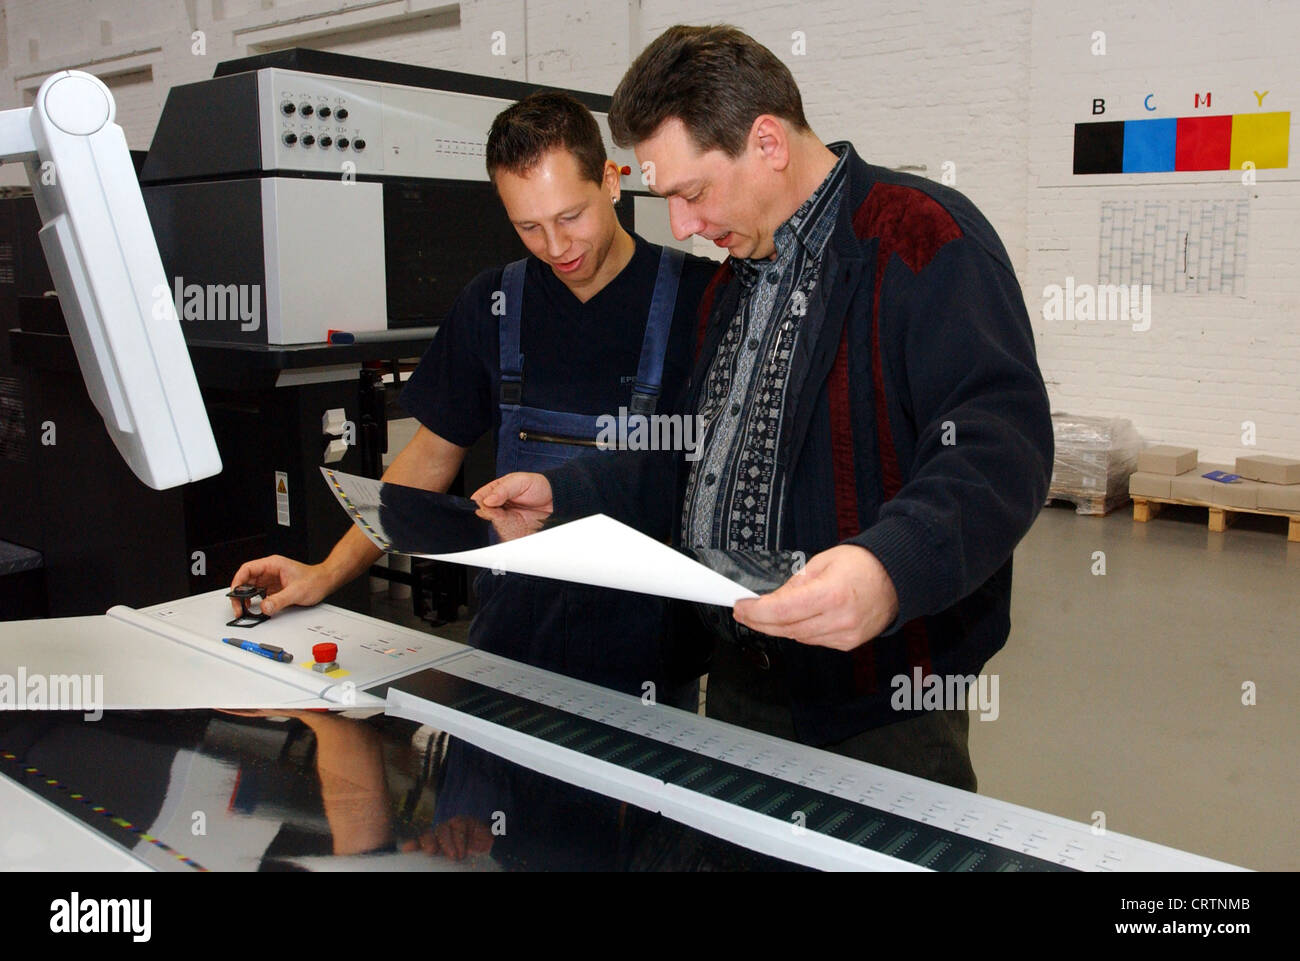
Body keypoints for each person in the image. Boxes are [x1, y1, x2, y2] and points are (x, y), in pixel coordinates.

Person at [474, 25, 1055, 791]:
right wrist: (567, 492)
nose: (681, 226)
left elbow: (998, 446)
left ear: (769, 142)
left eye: (692, 192)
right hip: (744, 682)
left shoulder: (919, 238)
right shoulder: (736, 276)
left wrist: (889, 567)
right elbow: (688, 454)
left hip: (880, 706)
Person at [230, 90, 720, 708]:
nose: (555, 246)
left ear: (611, 180)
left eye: (570, 216)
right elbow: (429, 458)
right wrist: (327, 573)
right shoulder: (494, 303)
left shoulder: (701, 300)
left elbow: (710, 474)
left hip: (648, 656)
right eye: (528, 227)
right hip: (509, 643)